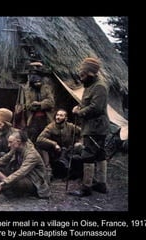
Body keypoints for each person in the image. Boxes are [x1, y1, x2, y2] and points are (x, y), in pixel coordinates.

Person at [69, 57, 110, 197]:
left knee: (88, 155)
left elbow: (96, 108)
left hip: (95, 127)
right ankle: (101, 184)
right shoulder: (90, 86)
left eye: (83, 75)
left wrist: (79, 112)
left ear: (91, 74)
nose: (81, 78)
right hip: (95, 127)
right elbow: (88, 103)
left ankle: (86, 188)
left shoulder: (99, 86)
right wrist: (79, 106)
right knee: (99, 154)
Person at [0, 130, 51, 199]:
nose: (8, 145)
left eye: (10, 142)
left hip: (33, 180)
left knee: (15, 184)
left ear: (19, 141)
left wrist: (5, 182)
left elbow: (21, 172)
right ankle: (4, 185)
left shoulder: (32, 154)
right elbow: (2, 160)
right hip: (21, 175)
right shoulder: (16, 148)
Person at [36, 109, 83, 179]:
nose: (58, 117)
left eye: (61, 115)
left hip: (68, 151)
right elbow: (40, 139)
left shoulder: (70, 126)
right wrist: (54, 144)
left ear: (66, 118)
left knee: (80, 148)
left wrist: (79, 142)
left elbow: (83, 132)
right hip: (56, 152)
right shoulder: (50, 127)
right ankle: (48, 169)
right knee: (41, 146)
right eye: (57, 115)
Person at [24, 62, 55, 143]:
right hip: (33, 120)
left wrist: (39, 104)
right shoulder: (29, 91)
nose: (38, 83)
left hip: (46, 119)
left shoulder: (46, 88)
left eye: (39, 81)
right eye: (36, 82)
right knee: (33, 141)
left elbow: (51, 102)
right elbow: (28, 106)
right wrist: (43, 104)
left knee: (46, 140)